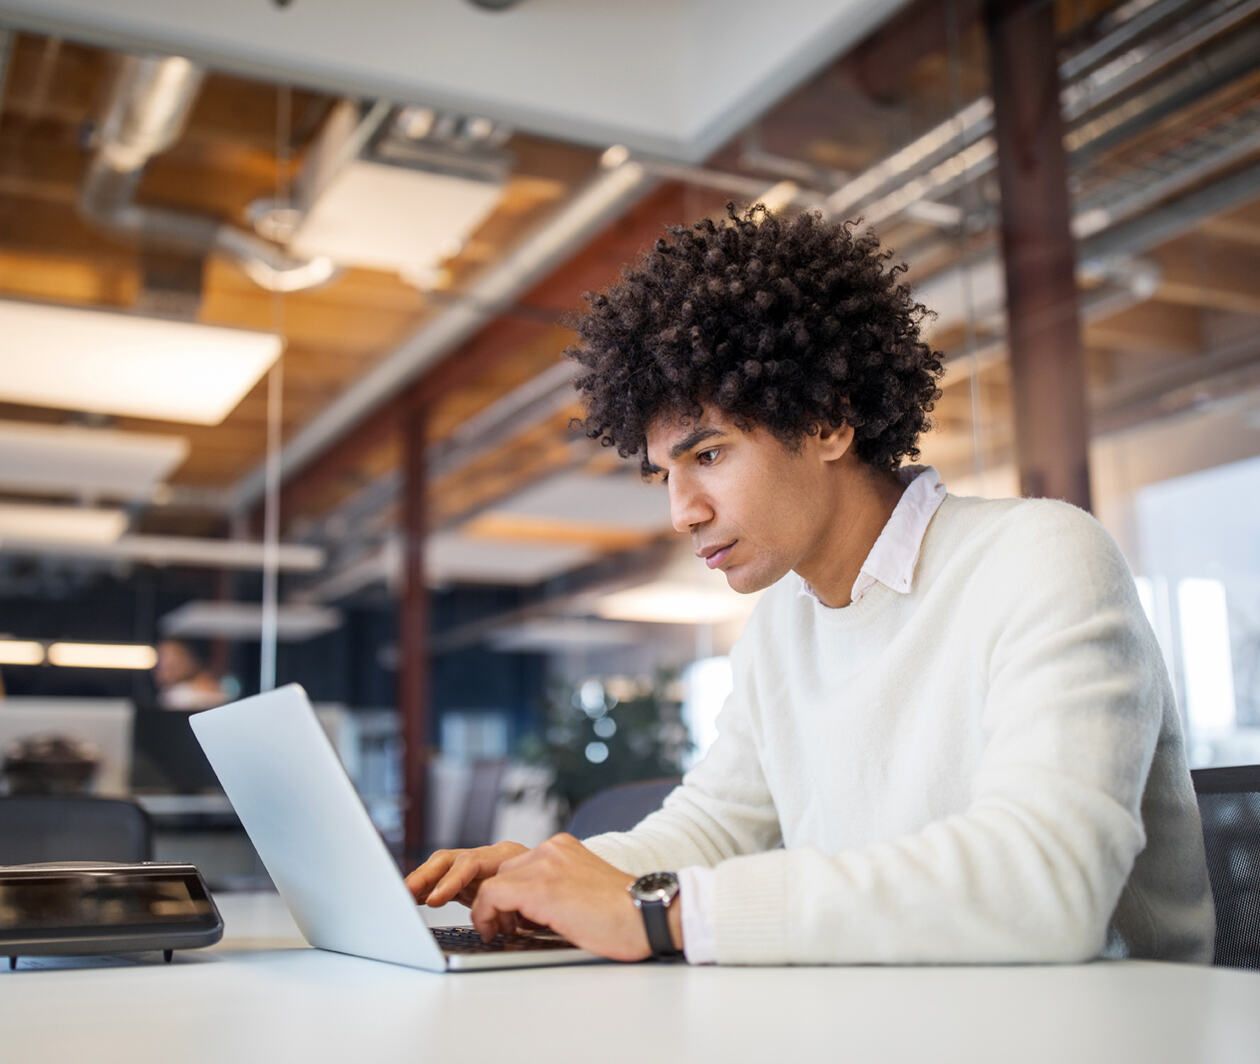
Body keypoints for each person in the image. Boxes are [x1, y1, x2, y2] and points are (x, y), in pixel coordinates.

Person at [406, 205, 1214, 966]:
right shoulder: (783, 627)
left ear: (828, 422)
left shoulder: (1040, 558)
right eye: (664, 476)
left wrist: (664, 913)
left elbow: (1048, 881)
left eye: (710, 455)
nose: (683, 512)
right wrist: (553, 877)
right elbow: (717, 829)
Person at [153, 638, 225, 711]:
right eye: (161, 665)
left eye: (171, 666)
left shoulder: (207, 685)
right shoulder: (172, 696)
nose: (164, 664)